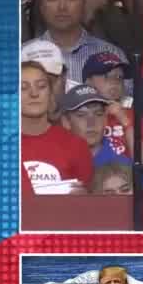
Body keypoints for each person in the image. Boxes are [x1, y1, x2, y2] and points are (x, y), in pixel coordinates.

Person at [26, 0, 128, 87]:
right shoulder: (24, 56)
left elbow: (127, 101)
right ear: (41, 6)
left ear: (83, 3)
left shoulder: (112, 55)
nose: (62, 7)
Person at [21, 61, 93, 195]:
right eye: (23, 88)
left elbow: (89, 206)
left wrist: (83, 198)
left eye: (41, 86)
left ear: (50, 93)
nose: (34, 94)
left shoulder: (76, 145)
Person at [59, 84, 136, 170]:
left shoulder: (122, 166)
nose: (91, 123)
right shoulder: (55, 162)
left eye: (98, 114)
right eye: (81, 115)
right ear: (66, 122)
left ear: (105, 120)